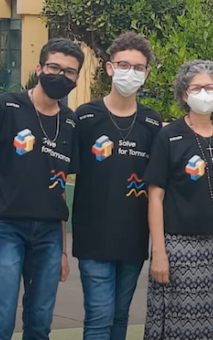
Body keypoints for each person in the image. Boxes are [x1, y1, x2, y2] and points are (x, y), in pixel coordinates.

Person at [0, 38, 84, 340]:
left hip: (48, 236)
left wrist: (63, 250)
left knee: (40, 323)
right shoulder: (6, 106)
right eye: (54, 67)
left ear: (76, 78)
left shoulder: (70, 123)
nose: (60, 76)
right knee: (1, 323)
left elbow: (59, 186)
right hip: (5, 228)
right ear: (39, 68)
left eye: (70, 72)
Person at [72, 33, 162, 340]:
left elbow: (156, 187)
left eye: (138, 67)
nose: (131, 73)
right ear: (110, 68)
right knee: (99, 319)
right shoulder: (86, 117)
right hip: (93, 237)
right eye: (124, 65)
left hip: (133, 239)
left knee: (119, 317)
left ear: (147, 73)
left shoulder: (152, 123)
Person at [143, 59, 213, 340]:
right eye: (196, 88)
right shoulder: (169, 136)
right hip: (178, 247)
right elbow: (155, 197)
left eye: (210, 87)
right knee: (177, 325)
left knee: (212, 323)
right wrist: (159, 252)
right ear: (184, 94)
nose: (204, 93)